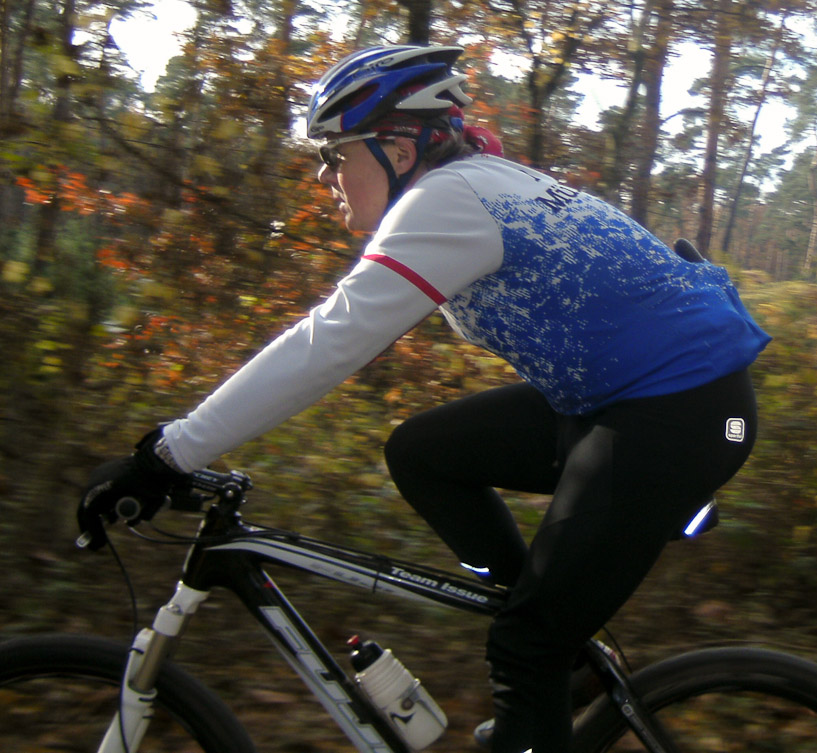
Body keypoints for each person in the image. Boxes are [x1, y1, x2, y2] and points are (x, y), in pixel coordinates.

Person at [78, 44, 771, 753]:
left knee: (526, 644)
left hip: (680, 416)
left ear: (400, 149)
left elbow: (327, 342)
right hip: (638, 401)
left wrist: (167, 454)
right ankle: (556, 646)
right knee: (422, 453)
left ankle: (543, 650)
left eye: (335, 154)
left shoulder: (445, 201)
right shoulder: (486, 180)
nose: (324, 175)